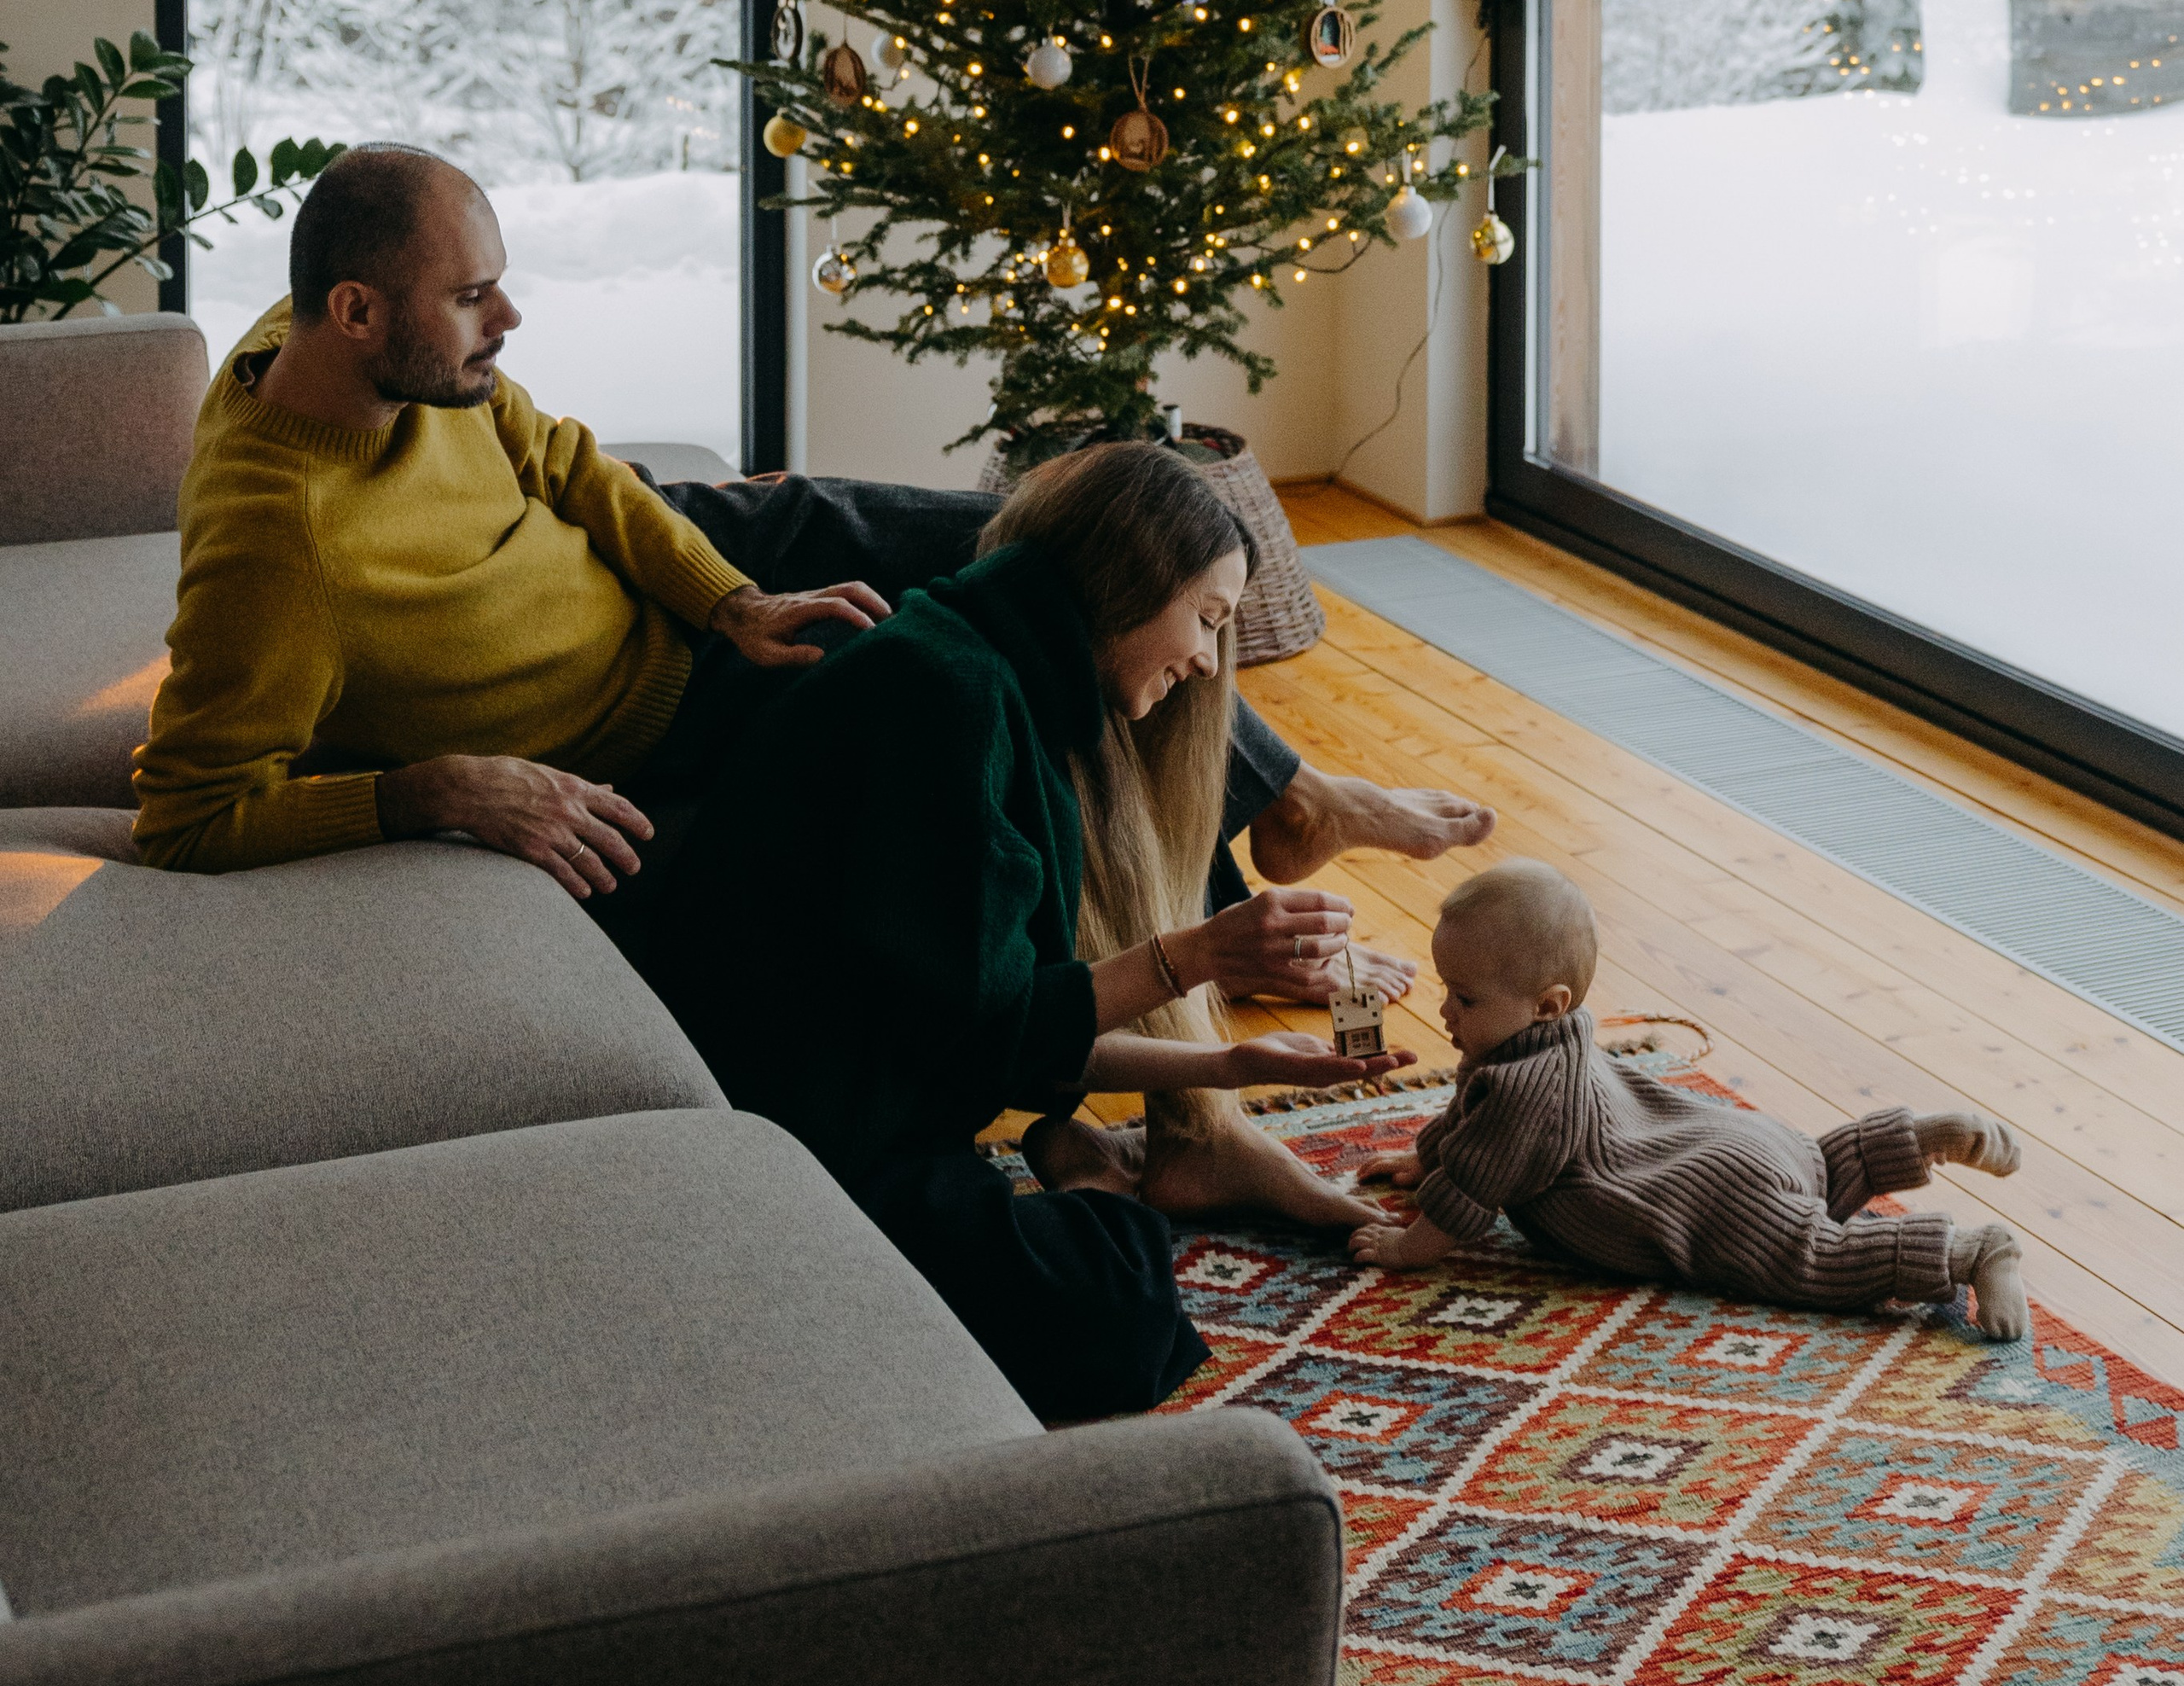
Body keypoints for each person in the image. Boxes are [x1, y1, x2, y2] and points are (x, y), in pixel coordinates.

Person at [135, 145, 1495, 1001]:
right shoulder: (280, 549)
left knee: (1023, 537)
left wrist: (731, 595)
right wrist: (423, 790)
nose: (509, 319)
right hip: (665, 719)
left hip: (693, 586)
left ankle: (1292, 795)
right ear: (360, 312)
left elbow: (565, 460)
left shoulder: (334, 340)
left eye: (499, 283)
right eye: (472, 299)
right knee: (1004, 663)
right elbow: (187, 817)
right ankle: (1225, 928)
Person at [620, 439, 1413, 1421]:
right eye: (1205, 620)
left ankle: (1104, 1181)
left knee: (1105, 1296)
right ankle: (1093, 1185)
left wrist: (1232, 1068)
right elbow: (987, 1029)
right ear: (1132, 578)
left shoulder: (988, 670)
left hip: (865, 1102)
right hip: (789, 1140)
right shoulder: (942, 694)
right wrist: (1199, 956)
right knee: (1113, 1308)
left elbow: (985, 1017)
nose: (1206, 660)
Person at [1346, 859, 2030, 1340]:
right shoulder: (1547, 1041)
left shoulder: (1522, 1090)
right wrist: (1424, 1155)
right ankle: (1918, 1138)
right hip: (1737, 1144)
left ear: (1547, 1004)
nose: (1445, 1011)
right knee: (1817, 1169)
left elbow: (1470, 1190)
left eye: (1465, 998)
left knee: (1812, 1257)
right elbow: (1470, 1129)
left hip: (1713, 1201)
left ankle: (1968, 1253)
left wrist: (1409, 1249)